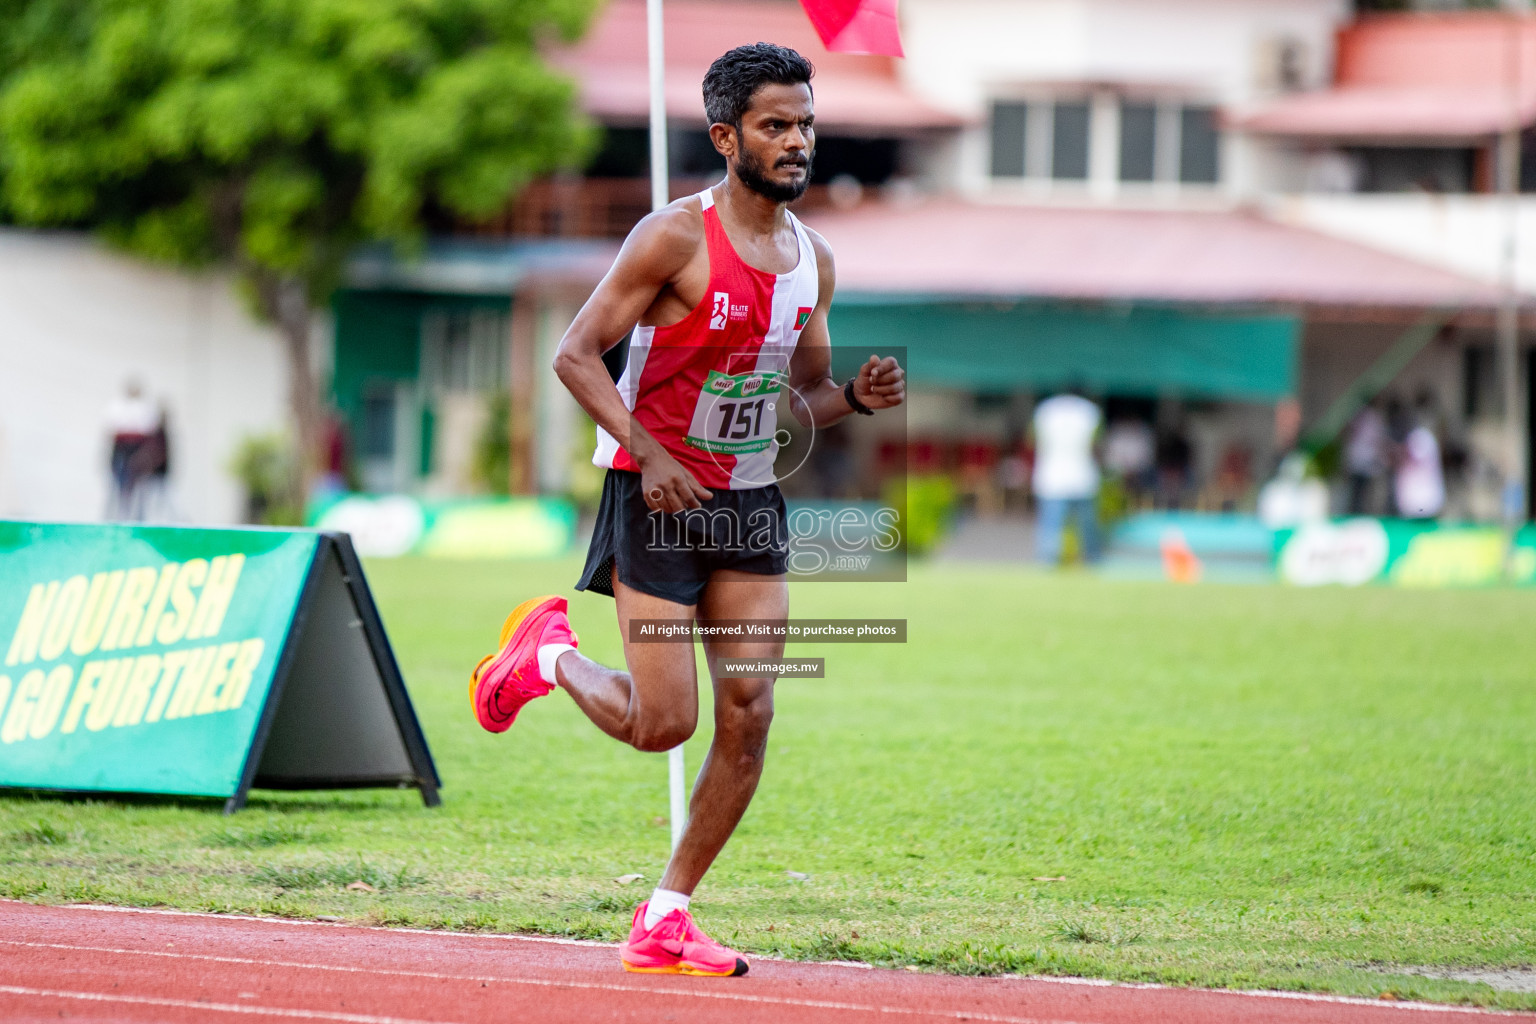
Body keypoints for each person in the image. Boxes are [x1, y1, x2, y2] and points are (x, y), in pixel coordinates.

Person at [466, 44, 904, 978]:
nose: (797, 142)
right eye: (776, 125)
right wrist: (651, 450)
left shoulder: (813, 260)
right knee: (661, 725)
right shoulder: (672, 238)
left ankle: (666, 914)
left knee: (748, 711)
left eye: (806, 124)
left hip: (747, 505)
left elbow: (801, 402)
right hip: (654, 497)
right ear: (725, 136)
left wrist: (856, 398)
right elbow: (576, 354)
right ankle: (545, 653)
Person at [1031, 387, 1102, 564]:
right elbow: (1097, 445)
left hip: (1051, 476)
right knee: (1087, 528)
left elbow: (1031, 440)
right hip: (1082, 476)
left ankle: (1047, 562)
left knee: (1050, 526)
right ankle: (1092, 562)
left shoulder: (1045, 410)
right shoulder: (1090, 411)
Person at [104, 379, 160, 521]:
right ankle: (116, 517)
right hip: (121, 450)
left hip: (138, 450)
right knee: (118, 487)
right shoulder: (117, 406)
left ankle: (138, 518)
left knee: (140, 487)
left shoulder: (146, 409)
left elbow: (149, 430)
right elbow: (112, 429)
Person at [1344, 401, 1389, 516]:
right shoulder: (1372, 417)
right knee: (1361, 493)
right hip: (1364, 460)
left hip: (1359, 459)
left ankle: (1356, 514)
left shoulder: (1359, 415)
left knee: (1358, 493)